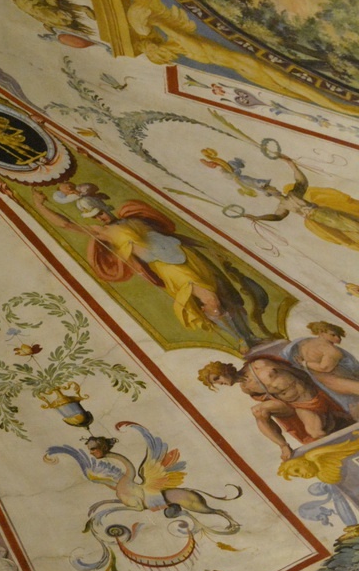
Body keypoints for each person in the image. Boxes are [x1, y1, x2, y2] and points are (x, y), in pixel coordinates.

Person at [33, 184, 263, 351]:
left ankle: (250, 336)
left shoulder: (135, 218)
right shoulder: (103, 232)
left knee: (224, 294)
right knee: (210, 300)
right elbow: (65, 224)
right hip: (168, 268)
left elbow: (168, 237)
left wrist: (206, 247)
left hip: (187, 256)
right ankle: (239, 339)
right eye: (94, 216)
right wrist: (39, 205)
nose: (100, 217)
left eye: (100, 212)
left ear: (104, 206)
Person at [198, 358, 352, 460]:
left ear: (223, 370)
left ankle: (335, 418)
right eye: (215, 383)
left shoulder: (258, 365)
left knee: (319, 431)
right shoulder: (246, 388)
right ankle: (283, 446)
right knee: (259, 411)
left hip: (311, 396)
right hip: (296, 406)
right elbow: (273, 400)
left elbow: (297, 371)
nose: (220, 383)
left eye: (217, 378)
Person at [287, 321, 359, 415]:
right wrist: (305, 363)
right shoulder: (331, 350)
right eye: (333, 335)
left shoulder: (304, 343)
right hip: (336, 380)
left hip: (324, 381)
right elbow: (325, 368)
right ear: (321, 332)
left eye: (339, 336)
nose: (337, 338)